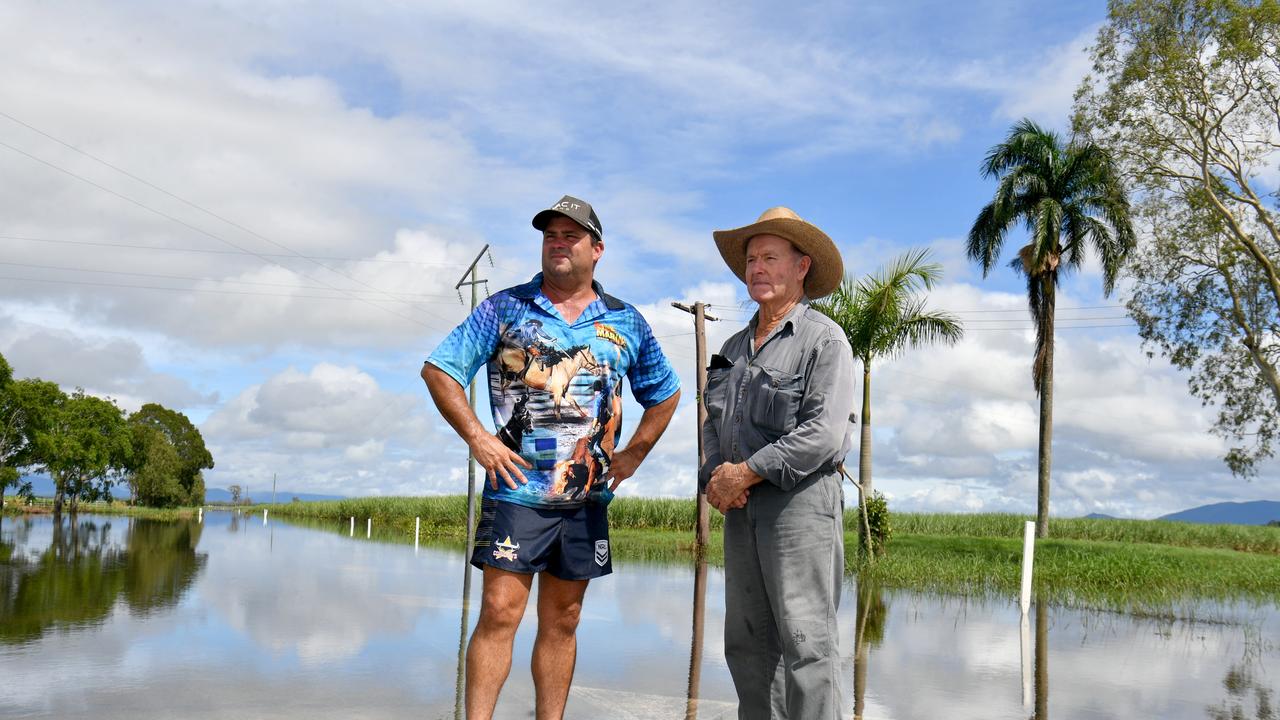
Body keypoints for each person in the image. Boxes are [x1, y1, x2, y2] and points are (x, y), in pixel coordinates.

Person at [422, 194, 681, 720]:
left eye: (571, 236)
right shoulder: (504, 307)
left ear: (597, 249)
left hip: (586, 494)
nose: (558, 244)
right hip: (517, 489)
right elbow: (441, 369)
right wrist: (478, 437)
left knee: (564, 619)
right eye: (550, 236)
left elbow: (666, 392)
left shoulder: (625, 321)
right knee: (499, 612)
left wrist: (633, 455)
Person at [700, 206, 855, 719]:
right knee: (747, 646)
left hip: (801, 508)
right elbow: (712, 426)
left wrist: (747, 471)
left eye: (770, 258)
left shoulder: (824, 340)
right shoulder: (731, 348)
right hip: (741, 510)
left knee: (807, 645)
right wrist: (716, 479)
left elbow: (824, 435)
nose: (757, 269)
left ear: (802, 267)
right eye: (751, 260)